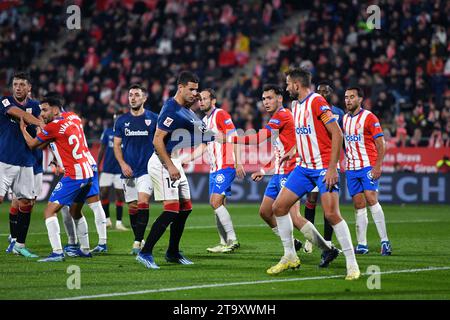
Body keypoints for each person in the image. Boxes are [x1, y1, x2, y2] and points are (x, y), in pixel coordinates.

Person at [223, 83, 338, 266]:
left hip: (292, 171)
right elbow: (280, 152)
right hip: (278, 173)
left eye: (269, 98)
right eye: (263, 99)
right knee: (265, 212)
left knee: (294, 216)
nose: (266, 102)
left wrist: (231, 138)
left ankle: (326, 249)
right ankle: (293, 243)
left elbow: (259, 139)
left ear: (279, 98)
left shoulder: (283, 115)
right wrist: (263, 170)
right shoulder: (276, 118)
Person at [270, 68, 360, 280]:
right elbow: (305, 136)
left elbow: (337, 134)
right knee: (279, 207)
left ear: (297, 85)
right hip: (303, 167)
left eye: (288, 83)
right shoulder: (295, 105)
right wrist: (291, 152)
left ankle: (352, 264)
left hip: (322, 167)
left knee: (331, 214)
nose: (286, 87)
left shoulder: (317, 101)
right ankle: (290, 256)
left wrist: (331, 168)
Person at [138, 71, 214, 269]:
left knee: (186, 208)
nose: (195, 93)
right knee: (171, 209)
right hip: (163, 162)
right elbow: (157, 140)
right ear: (180, 88)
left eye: (197, 90)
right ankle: (145, 252)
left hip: (175, 160)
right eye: (191, 89)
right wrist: (170, 165)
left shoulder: (185, 108)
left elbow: (204, 133)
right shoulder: (171, 109)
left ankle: (172, 252)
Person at [20, 93, 94, 262]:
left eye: (44, 110)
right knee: (75, 211)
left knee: (49, 212)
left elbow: (33, 145)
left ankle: (57, 252)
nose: (42, 114)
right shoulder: (73, 117)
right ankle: (84, 249)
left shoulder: (52, 127)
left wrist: (23, 129)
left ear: (55, 109)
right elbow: (60, 138)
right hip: (88, 172)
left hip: (74, 174)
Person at [182, 88, 245, 253]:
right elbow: (203, 146)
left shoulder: (221, 114)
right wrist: (186, 160)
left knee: (214, 202)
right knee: (218, 204)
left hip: (226, 165)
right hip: (214, 168)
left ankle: (232, 240)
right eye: (199, 99)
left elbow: (235, 137)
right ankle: (223, 241)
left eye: (204, 99)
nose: (201, 101)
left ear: (213, 101)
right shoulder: (204, 121)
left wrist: (238, 163)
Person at [343, 87, 392, 256]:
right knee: (358, 204)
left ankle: (385, 241)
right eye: (346, 97)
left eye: (352, 97)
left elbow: (381, 143)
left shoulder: (369, 117)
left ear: (360, 99)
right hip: (351, 168)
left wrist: (378, 166)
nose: (348, 100)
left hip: (367, 165)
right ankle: (362, 244)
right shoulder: (344, 119)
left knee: (371, 198)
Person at [54, 109, 109, 256]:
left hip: (79, 167)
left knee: (66, 206)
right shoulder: (72, 118)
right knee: (92, 205)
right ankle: (100, 242)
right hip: (87, 163)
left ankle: (74, 242)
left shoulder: (58, 123)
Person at [302, 81, 345, 268]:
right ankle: (310, 239)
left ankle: (327, 242)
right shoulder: (311, 106)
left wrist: (338, 162)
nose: (322, 93)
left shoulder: (338, 113)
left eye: (326, 91)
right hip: (312, 161)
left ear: (331, 94)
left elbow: (341, 135)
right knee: (311, 199)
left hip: (329, 162)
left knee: (329, 207)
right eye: (320, 91)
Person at [1, 72, 44, 258]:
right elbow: (15, 112)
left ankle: (20, 244)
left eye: (21, 84)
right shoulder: (5, 101)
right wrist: (39, 122)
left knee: (26, 202)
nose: (17, 87)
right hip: (4, 160)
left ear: (29, 88)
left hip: (26, 162)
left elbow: (44, 131)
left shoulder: (36, 106)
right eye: (15, 84)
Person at [114, 84, 158, 255]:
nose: (132, 98)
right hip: (128, 171)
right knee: (132, 207)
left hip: (147, 170)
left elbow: (161, 140)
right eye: (130, 95)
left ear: (144, 98)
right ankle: (139, 238)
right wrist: (123, 164)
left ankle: (137, 242)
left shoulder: (153, 118)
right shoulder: (122, 121)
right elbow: (117, 145)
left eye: (137, 95)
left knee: (142, 202)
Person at [98, 114, 127, 231]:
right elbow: (102, 148)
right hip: (107, 169)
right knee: (103, 193)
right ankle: (107, 220)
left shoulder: (127, 132)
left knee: (120, 195)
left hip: (120, 169)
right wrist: (97, 163)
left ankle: (119, 223)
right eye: (116, 117)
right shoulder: (107, 132)